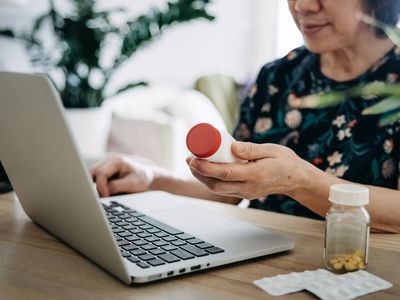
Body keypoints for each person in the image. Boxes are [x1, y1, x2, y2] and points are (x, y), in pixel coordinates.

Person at [92, 0, 400, 233]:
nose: (302, 5)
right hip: (265, 255)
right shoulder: (278, 76)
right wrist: (152, 178)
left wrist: (301, 181)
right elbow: (232, 191)